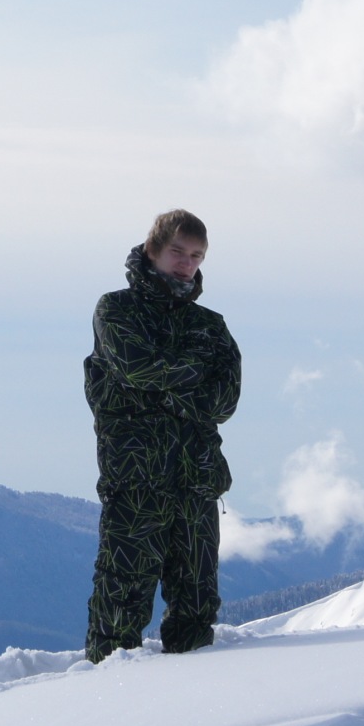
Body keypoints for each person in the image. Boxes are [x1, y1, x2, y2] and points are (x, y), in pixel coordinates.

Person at [82, 209, 241, 661]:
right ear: (153, 250)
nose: (187, 263)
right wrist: (193, 376)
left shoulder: (211, 325)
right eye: (178, 252)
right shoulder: (115, 309)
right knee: (120, 603)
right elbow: (135, 368)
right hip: (137, 479)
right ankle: (104, 697)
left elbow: (224, 402)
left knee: (197, 603)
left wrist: (161, 389)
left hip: (197, 480)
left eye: (197, 256)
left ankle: (194, 695)